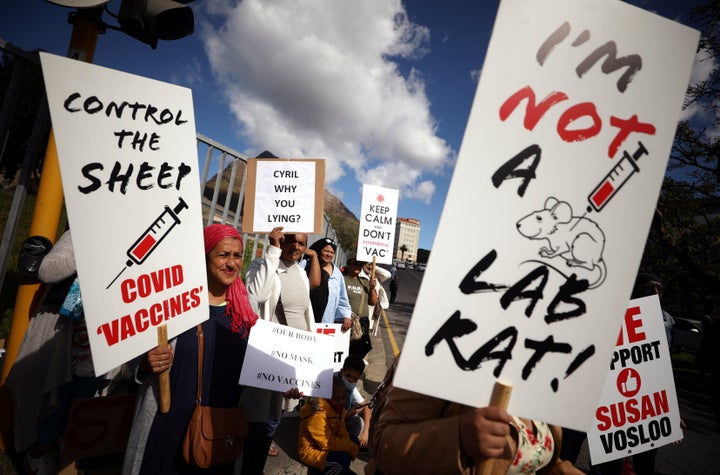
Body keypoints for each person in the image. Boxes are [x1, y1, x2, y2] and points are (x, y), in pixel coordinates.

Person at [122, 224, 258, 475]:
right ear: (205, 257)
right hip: (166, 430)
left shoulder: (245, 314)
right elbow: (130, 361)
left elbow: (257, 374)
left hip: (218, 435)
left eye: (237, 255)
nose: (232, 263)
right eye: (223, 255)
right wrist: (145, 362)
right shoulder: (171, 303)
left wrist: (286, 385)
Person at [6, 229, 107, 473]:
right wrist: (85, 253)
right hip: (63, 341)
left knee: (81, 407)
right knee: (52, 401)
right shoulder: (80, 232)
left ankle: (66, 457)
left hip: (99, 347)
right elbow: (47, 270)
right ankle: (41, 454)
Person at [366, 363, 583, 475]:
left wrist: (560, 470)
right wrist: (458, 436)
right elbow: (384, 443)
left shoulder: (544, 366)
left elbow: (533, 457)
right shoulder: (437, 349)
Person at [241, 226, 316, 474]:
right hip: (266, 356)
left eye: (302, 243)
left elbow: (306, 317)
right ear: (280, 239)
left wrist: (307, 366)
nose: (296, 246)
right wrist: (272, 251)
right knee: (257, 422)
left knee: (274, 421)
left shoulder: (302, 274)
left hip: (292, 360)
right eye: (290, 240)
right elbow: (256, 297)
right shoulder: (261, 267)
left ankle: (256, 467)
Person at [298, 374, 360, 474]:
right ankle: (322, 471)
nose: (341, 402)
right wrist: (349, 447)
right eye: (336, 399)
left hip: (327, 445)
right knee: (342, 458)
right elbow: (326, 443)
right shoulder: (317, 415)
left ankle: (339, 469)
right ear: (326, 397)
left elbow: (342, 430)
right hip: (312, 451)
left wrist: (349, 444)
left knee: (354, 441)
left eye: (343, 398)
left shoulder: (337, 409)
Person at [304, 237, 352, 326]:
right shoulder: (305, 265)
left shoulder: (337, 274)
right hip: (305, 319)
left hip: (325, 323)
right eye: (326, 251)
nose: (328, 254)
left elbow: (342, 298)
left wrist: (346, 316)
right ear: (319, 251)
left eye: (331, 252)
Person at [342, 255, 378, 359]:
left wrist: (372, 288)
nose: (358, 266)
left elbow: (373, 302)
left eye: (360, 264)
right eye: (355, 263)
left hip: (362, 323)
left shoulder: (365, 281)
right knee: (344, 351)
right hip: (346, 322)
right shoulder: (342, 278)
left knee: (359, 352)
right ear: (348, 264)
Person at [336, 354, 372, 449]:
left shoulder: (350, 387)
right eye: (348, 376)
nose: (351, 380)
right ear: (342, 371)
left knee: (368, 417)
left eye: (355, 378)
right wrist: (349, 414)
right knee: (358, 422)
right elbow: (328, 417)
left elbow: (366, 406)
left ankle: (358, 441)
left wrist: (366, 431)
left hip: (343, 418)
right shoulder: (333, 384)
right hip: (331, 424)